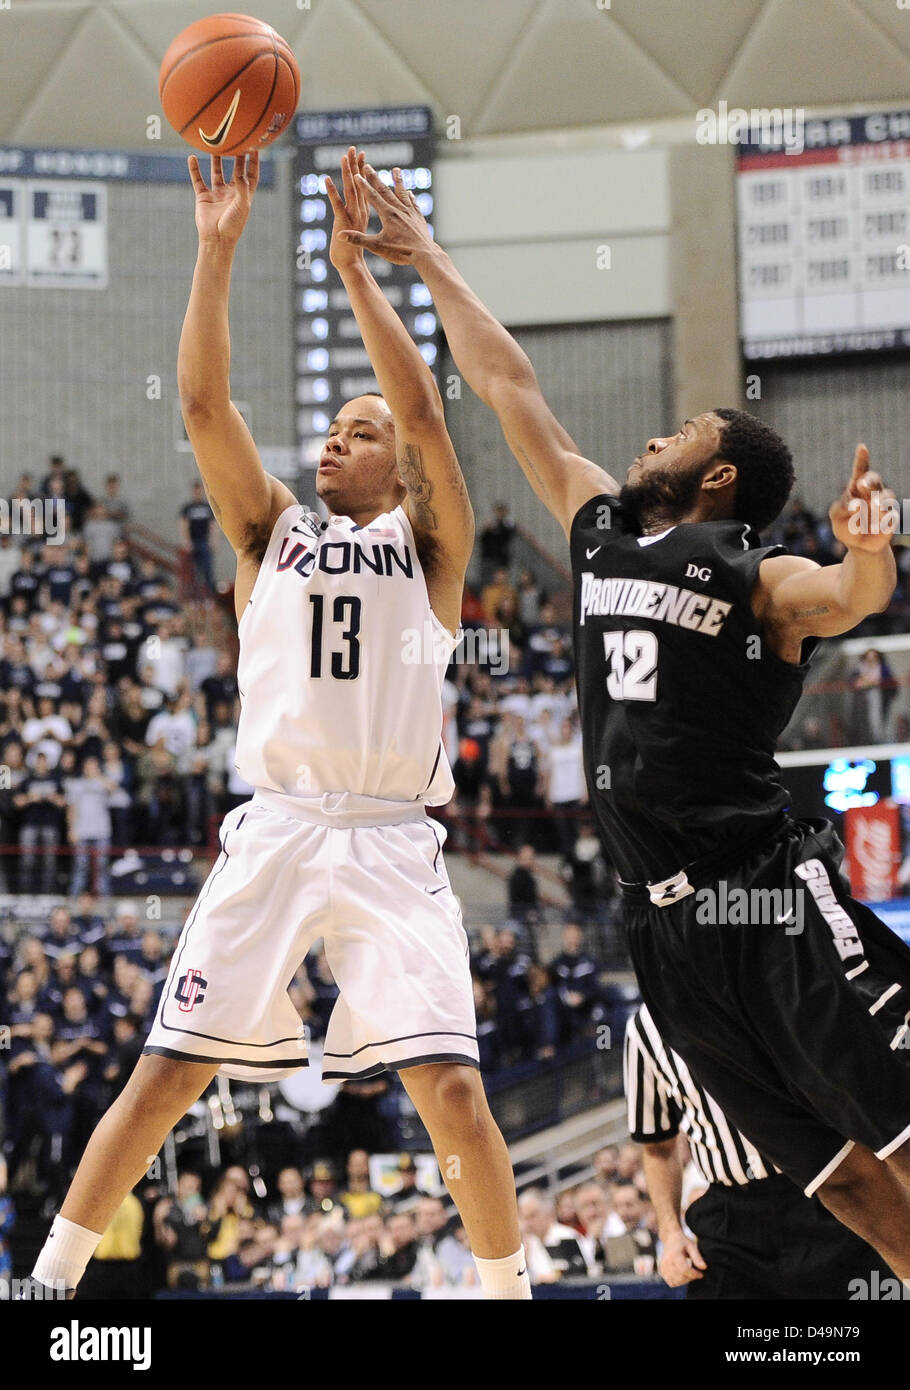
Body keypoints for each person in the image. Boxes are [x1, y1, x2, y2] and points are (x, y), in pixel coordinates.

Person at [343, 156, 910, 1280]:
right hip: (656, 930)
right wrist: (429, 260)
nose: (654, 439)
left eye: (682, 433)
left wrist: (866, 547)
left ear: (718, 480)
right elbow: (512, 392)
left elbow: (847, 601)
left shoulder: (756, 568)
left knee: (896, 1124)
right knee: (838, 1174)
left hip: (760, 895)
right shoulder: (600, 530)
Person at [26, 148, 528, 1303]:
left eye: (357, 431)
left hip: (396, 840)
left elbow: (421, 409)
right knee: (165, 1076)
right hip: (281, 827)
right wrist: (216, 247)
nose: (335, 441)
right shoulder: (270, 532)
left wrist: (358, 274)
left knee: (452, 1093)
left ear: (399, 464)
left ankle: (509, 1294)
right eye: (332, 431)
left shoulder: (432, 543)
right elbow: (204, 403)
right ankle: (45, 1286)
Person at [625, 1003, 879, 1299]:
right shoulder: (645, 1027)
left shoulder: (784, 979)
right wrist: (670, 1233)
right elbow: (657, 1148)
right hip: (731, 1217)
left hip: (827, 1194)